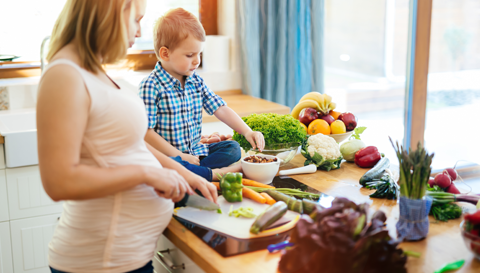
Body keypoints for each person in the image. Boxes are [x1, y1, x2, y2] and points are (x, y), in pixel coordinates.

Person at [37, 1, 217, 272]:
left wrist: (182, 172)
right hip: (98, 262)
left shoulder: (92, 70)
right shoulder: (64, 75)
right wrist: (147, 175)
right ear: (110, 12)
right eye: (136, 19)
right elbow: (58, 182)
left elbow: (134, 145)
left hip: (129, 257)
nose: (139, 30)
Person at [139, 8, 265, 182]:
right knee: (167, 166)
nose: (197, 61)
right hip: (169, 157)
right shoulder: (150, 86)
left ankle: (194, 174)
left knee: (232, 148)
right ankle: (205, 174)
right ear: (165, 53)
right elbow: (146, 133)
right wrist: (179, 156)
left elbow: (219, 108)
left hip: (196, 153)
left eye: (199, 53)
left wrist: (247, 131)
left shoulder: (196, 81)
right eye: (190, 55)